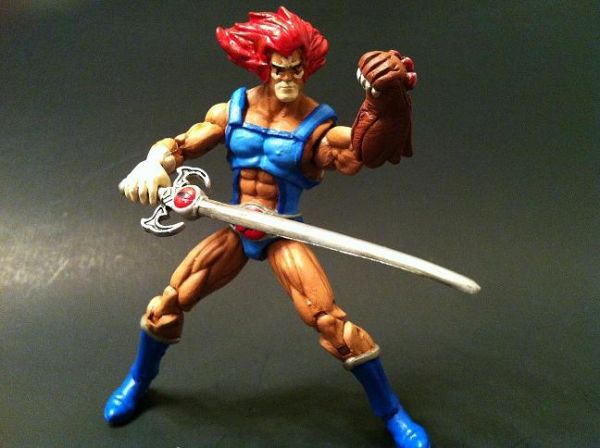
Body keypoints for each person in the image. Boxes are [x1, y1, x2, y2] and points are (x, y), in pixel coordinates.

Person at [106, 7, 427, 448]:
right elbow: (180, 146)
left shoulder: (316, 125)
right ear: (263, 65)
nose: (289, 78)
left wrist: (384, 104)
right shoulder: (232, 111)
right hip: (235, 226)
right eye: (280, 69)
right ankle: (138, 381)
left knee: (332, 324)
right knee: (167, 305)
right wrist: (153, 162)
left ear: (307, 67)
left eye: (297, 69)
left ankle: (391, 413)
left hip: (282, 231)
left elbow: (359, 153)